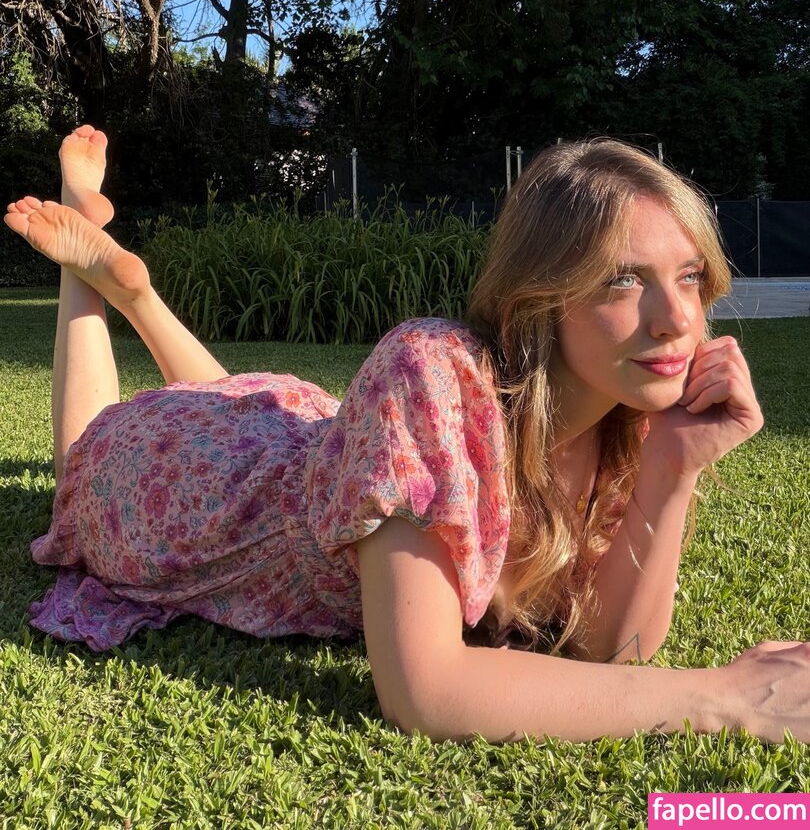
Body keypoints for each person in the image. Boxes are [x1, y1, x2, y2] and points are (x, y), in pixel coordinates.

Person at [5, 126, 810, 745]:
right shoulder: (432, 371)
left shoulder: (624, 418)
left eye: (689, 276)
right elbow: (424, 691)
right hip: (198, 496)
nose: (677, 320)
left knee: (232, 399)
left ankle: (138, 295)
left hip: (301, 438)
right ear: (540, 298)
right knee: (81, 458)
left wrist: (672, 468)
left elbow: (609, 647)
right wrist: (721, 697)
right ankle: (85, 271)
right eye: (624, 279)